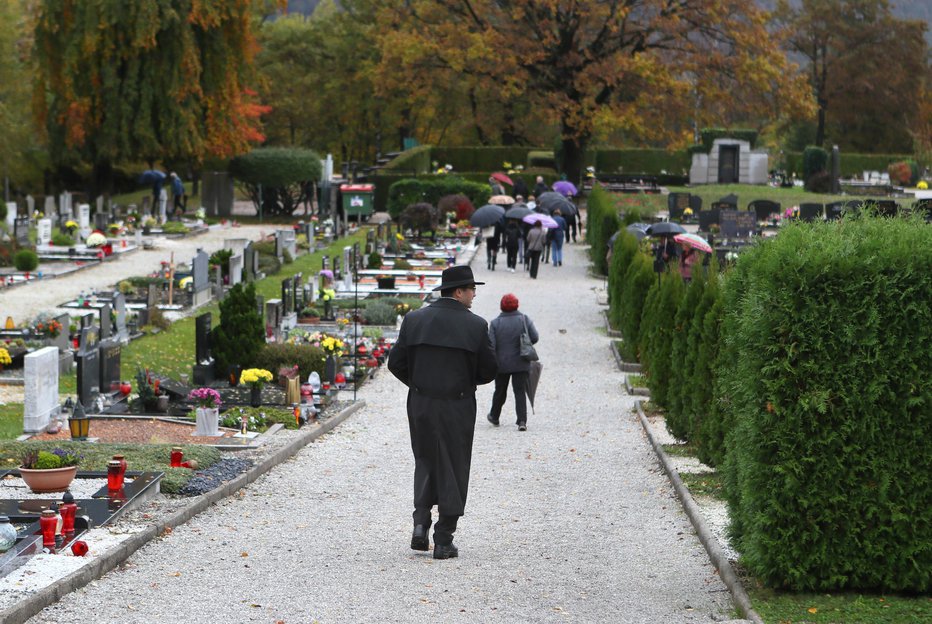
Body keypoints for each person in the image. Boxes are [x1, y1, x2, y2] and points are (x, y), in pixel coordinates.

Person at [388, 266, 498, 560]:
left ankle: (420, 525)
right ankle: (444, 538)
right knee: (455, 463)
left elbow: (396, 363)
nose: (474, 294)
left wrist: (420, 383)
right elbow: (489, 369)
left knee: (424, 458)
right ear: (459, 292)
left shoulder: (414, 319)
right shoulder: (476, 325)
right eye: (472, 289)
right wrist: (462, 379)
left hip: (421, 403)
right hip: (457, 404)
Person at [487, 294, 539, 431]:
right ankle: (522, 421)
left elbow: (490, 344)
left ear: (502, 306)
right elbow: (534, 337)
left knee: (500, 391)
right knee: (520, 391)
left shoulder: (495, 323)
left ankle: (494, 416)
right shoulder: (524, 319)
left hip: (501, 364)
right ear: (517, 305)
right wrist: (524, 344)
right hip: (521, 362)